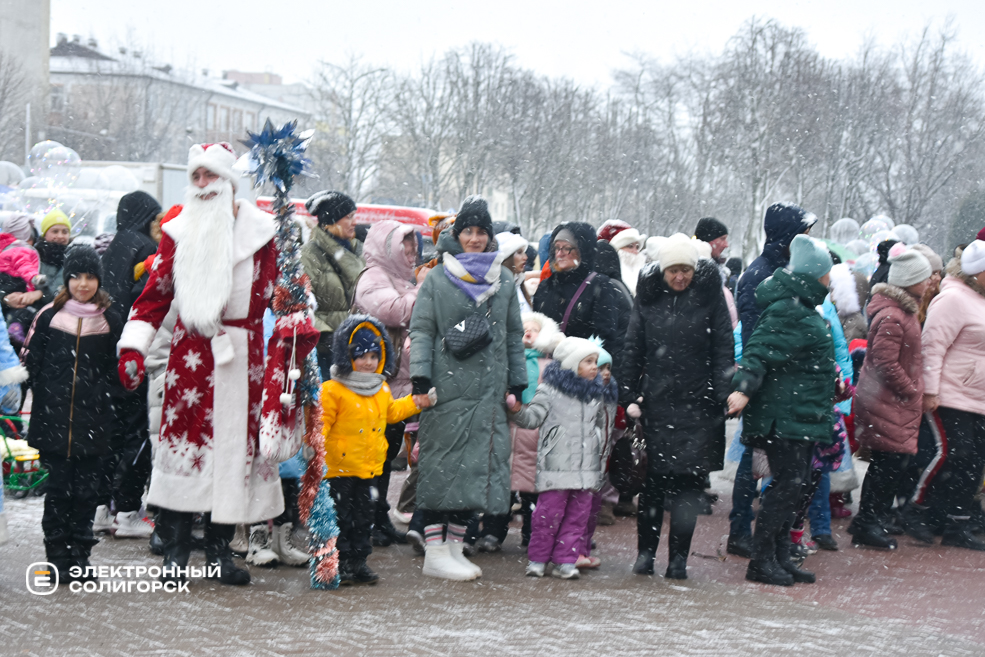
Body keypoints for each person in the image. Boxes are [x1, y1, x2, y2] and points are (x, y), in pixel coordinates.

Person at [116, 142, 302, 585]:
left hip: (244, 358)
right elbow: (155, 296)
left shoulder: (264, 232)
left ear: (228, 182)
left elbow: (284, 292)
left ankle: (221, 553)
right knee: (185, 456)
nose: (202, 185)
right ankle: (177, 552)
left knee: (234, 455)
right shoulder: (177, 231)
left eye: (211, 176)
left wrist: (297, 319)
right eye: (196, 177)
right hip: (192, 355)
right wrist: (133, 347)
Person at [408, 195, 526, 581]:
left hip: (489, 391)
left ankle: (455, 547)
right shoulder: (438, 278)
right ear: (457, 235)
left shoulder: (504, 280)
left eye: (481, 232)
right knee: (443, 469)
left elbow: (512, 334)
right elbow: (422, 330)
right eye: (468, 232)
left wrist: (518, 381)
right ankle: (435, 550)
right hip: (447, 388)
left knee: (474, 473)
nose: (474, 239)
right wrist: (421, 378)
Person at [618, 234, 734, 580]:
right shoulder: (649, 298)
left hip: (698, 406)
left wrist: (721, 391)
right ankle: (645, 555)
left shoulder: (709, 299)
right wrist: (628, 394)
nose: (680, 277)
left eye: (686, 270)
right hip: (656, 403)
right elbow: (632, 347)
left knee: (687, 489)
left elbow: (723, 350)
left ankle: (678, 560)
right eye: (674, 271)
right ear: (664, 271)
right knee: (652, 485)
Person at [727, 234, 839, 586]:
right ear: (815, 276)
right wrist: (743, 390)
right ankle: (761, 561)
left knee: (795, 486)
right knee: (787, 487)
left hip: (798, 414)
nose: (830, 280)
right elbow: (758, 351)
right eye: (827, 275)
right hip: (784, 417)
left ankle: (778, 557)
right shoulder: (788, 310)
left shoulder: (800, 307)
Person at [23, 246, 122, 581]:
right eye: (76, 276)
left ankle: (80, 558)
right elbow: (32, 361)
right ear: (66, 278)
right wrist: (48, 394)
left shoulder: (109, 321)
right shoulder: (50, 315)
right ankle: (56, 560)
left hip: (93, 423)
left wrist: (104, 400)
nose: (83, 283)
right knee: (58, 492)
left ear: (99, 280)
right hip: (54, 423)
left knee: (86, 495)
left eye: (90, 277)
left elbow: (116, 372)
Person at [727, 203, 816, 559]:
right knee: (755, 457)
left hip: (786, 380)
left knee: (777, 460)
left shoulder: (786, 269)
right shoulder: (761, 275)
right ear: (786, 236)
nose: (809, 239)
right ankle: (740, 530)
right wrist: (757, 379)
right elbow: (757, 336)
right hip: (767, 380)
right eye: (803, 232)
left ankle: (772, 533)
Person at [320, 315, 427, 585]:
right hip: (340, 470)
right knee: (341, 520)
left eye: (373, 355)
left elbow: (392, 413)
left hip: (369, 469)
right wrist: (314, 450)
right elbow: (321, 424)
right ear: (347, 357)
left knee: (362, 519)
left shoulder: (380, 390)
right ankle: (339, 564)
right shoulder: (333, 390)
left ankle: (358, 562)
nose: (368, 362)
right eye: (360, 355)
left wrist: (416, 402)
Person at [509, 337, 616, 579]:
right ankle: (538, 558)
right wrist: (516, 411)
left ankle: (565, 560)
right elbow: (533, 418)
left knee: (577, 519)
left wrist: (598, 447)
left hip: (585, 470)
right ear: (572, 363)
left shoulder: (595, 394)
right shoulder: (549, 390)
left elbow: (601, 424)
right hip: (556, 468)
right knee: (547, 516)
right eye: (588, 361)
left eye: (595, 362)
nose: (594, 367)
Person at [849, 247, 932, 549]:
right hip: (888, 401)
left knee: (889, 464)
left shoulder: (902, 312)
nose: (929, 282)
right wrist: (910, 389)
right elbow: (885, 362)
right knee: (887, 466)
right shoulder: (894, 316)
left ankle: (871, 520)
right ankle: (869, 522)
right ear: (910, 280)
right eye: (923, 277)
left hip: (891, 402)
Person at [93, 190, 163, 540]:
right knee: (138, 433)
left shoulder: (114, 245)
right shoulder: (146, 249)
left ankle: (101, 508)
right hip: (135, 352)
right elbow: (146, 301)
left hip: (110, 351)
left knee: (112, 431)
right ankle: (128, 510)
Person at [906, 240, 985, 550]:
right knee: (951, 454)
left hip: (977, 398)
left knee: (974, 462)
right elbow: (932, 347)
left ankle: (957, 523)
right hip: (950, 395)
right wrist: (931, 390)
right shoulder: (952, 299)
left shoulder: (980, 299)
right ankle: (917, 507)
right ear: (978, 272)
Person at [353, 219, 426, 547]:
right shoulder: (373, 277)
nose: (412, 251)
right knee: (373, 455)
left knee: (384, 454)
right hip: (375, 381)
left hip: (395, 381)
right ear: (387, 246)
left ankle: (377, 516)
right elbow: (394, 312)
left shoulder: (399, 277)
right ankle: (366, 519)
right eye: (405, 244)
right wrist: (422, 289)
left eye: (414, 244)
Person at [533, 222, 623, 367]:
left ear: (583, 250)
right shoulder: (546, 285)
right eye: (557, 248)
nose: (560, 253)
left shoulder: (599, 285)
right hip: (544, 370)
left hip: (580, 373)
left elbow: (606, 337)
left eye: (567, 248)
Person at [301, 190, 365, 379]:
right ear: (331, 222)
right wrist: (327, 337)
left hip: (358, 349)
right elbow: (301, 304)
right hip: (325, 355)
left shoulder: (358, 251)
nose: (355, 222)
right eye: (349, 217)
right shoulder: (309, 256)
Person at [35, 209, 72, 302]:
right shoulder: (35, 256)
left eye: (65, 232)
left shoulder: (73, 257)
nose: (60, 236)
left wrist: (42, 294)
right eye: (55, 231)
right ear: (45, 234)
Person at [496, 231, 533, 313]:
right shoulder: (496, 289)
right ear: (506, 257)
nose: (525, 257)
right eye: (519, 252)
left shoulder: (518, 283)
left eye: (524, 252)